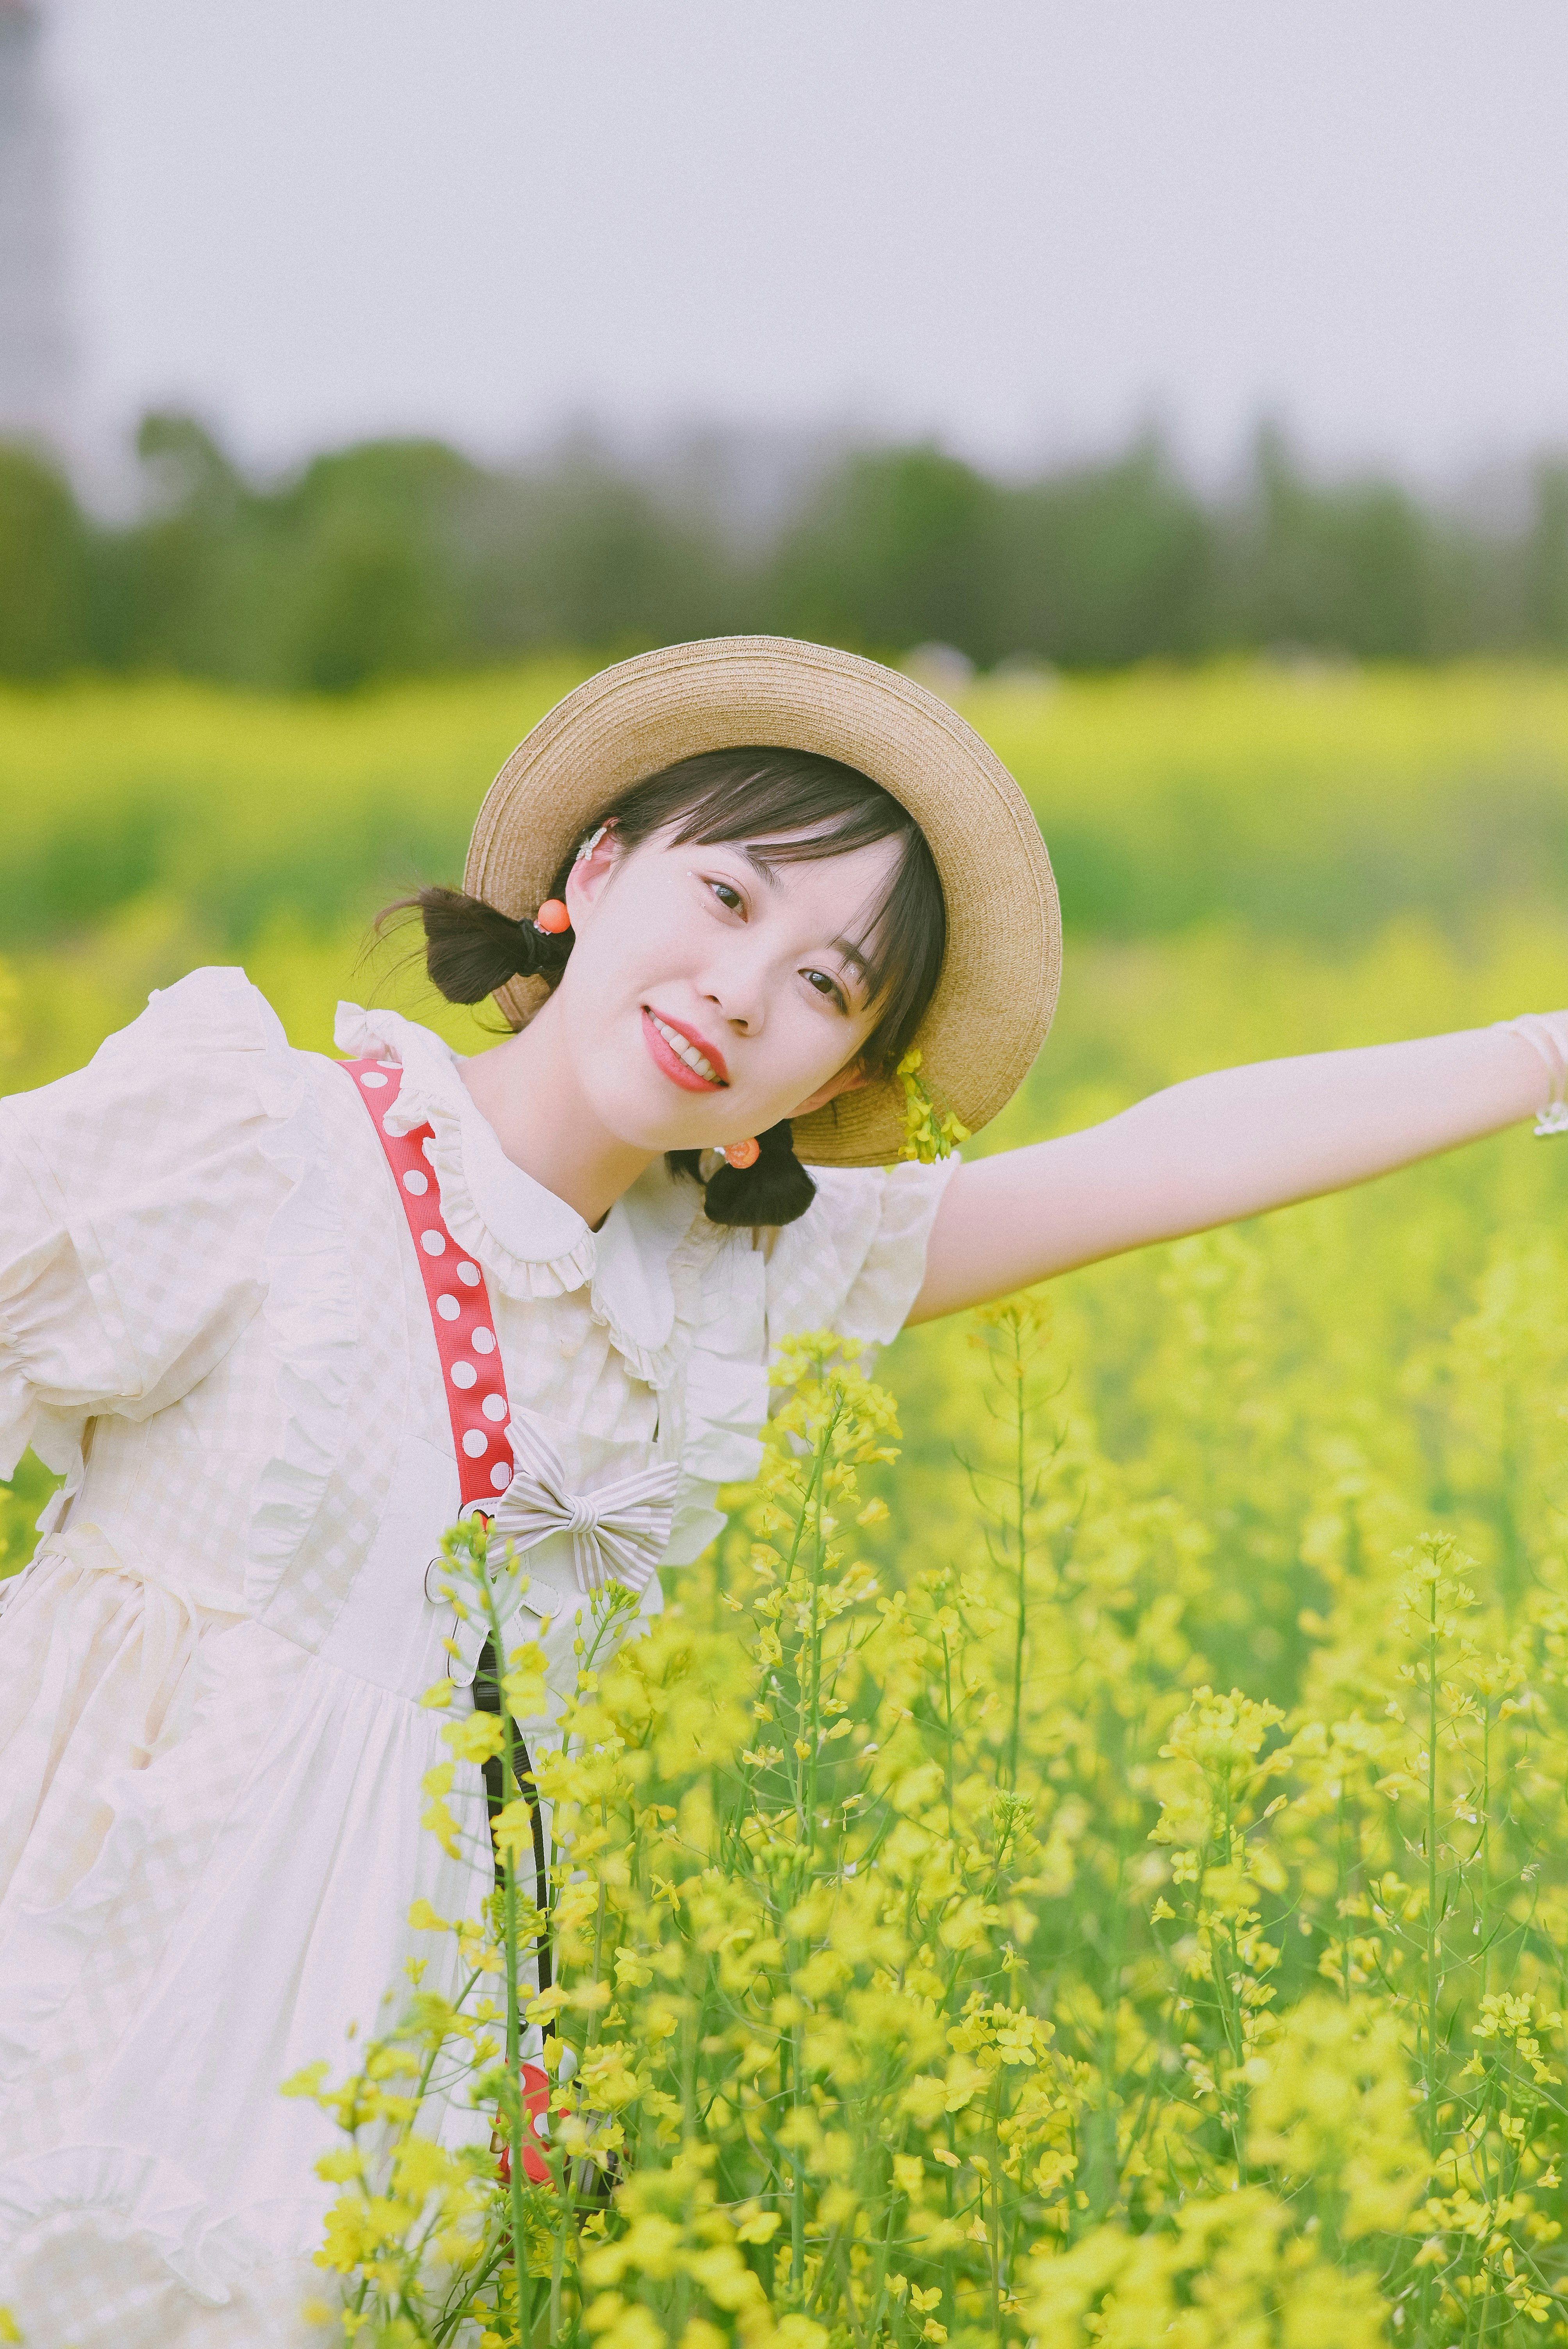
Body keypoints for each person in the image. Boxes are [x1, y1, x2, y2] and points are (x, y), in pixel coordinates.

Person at [0, 635, 1562, 2347]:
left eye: (826, 987)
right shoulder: (256, 1137)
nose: (742, 990)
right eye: (726, 895)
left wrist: (1538, 1052)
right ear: (591, 876)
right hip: (109, 1972)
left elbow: (1159, 1162)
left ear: (824, 1090)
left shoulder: (740, 1289)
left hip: (421, 2070)